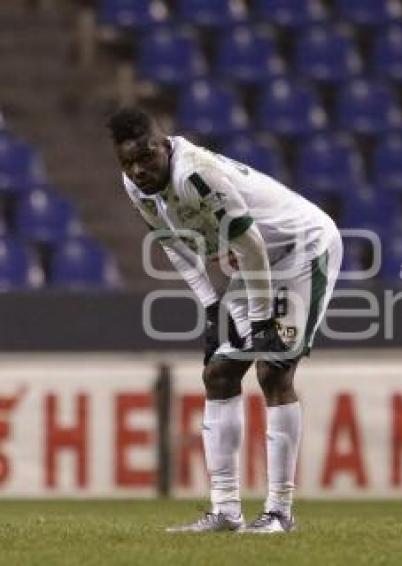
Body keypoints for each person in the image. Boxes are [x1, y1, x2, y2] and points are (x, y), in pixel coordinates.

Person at [107, 108, 342, 533]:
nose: (139, 169)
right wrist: (210, 306)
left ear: (165, 144)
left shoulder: (196, 174)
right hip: (257, 262)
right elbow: (172, 244)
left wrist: (260, 320)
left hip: (302, 249)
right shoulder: (134, 186)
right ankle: (226, 511)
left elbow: (250, 243)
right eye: (129, 162)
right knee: (218, 373)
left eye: (147, 157)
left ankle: (279, 513)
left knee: (273, 371)